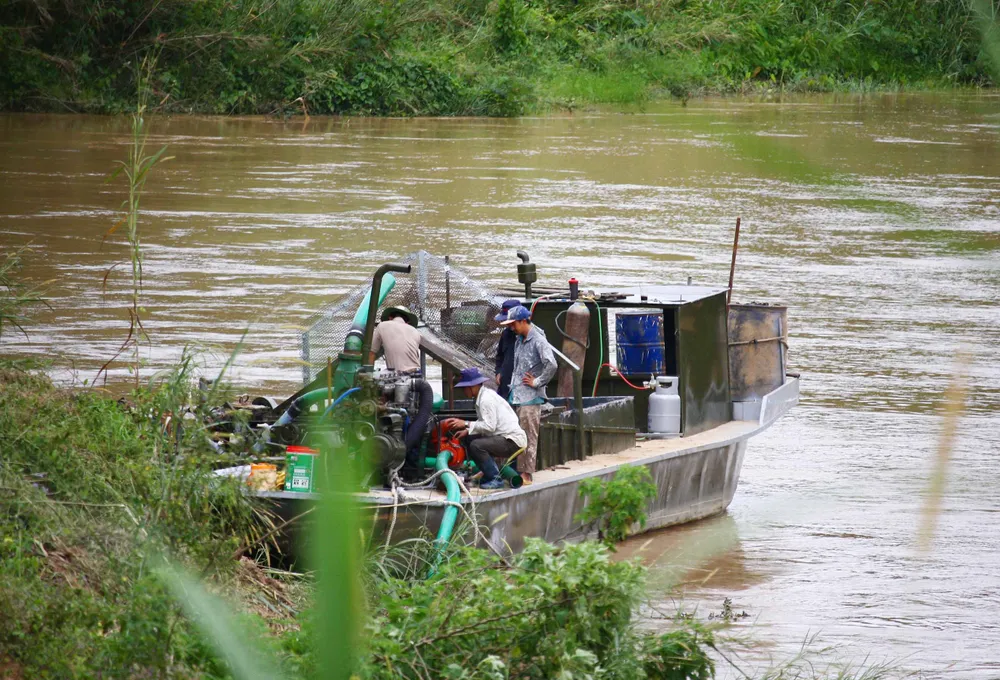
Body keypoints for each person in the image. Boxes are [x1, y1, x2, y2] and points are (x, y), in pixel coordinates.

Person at [500, 305, 556, 485]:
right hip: (516, 394)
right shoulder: (519, 339)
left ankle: (526, 474)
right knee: (510, 432)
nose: (511, 327)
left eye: (513, 324)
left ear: (524, 321)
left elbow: (552, 364)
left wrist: (538, 382)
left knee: (528, 436)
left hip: (530, 397)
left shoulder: (538, 340)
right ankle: (505, 469)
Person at [447, 367, 526, 490]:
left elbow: (489, 426)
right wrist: (467, 431)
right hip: (503, 437)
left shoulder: (485, 400)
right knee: (469, 439)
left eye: (464, 388)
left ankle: (494, 479)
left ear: (472, 387)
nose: (463, 391)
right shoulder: (483, 396)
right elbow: (486, 422)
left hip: (511, 440)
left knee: (476, 445)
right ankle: (487, 474)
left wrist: (466, 423)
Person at [369, 305, 421, 372]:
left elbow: (371, 353)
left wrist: (368, 374)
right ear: (407, 322)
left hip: (399, 376)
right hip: (417, 374)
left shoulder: (382, 326)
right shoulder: (415, 331)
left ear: (390, 318)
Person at [493, 299, 521, 400]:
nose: (508, 325)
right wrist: (498, 372)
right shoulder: (506, 334)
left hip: (522, 393)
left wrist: (536, 382)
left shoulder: (531, 337)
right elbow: (500, 356)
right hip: (505, 389)